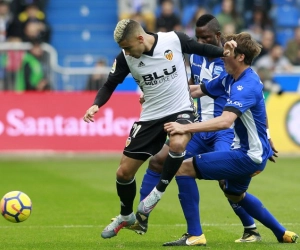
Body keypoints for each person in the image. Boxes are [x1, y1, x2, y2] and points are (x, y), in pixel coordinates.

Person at [138, 32, 299, 245]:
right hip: (254, 152)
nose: (222, 55)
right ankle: (281, 233)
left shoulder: (245, 85)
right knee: (235, 194)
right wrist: (156, 95)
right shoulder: (231, 78)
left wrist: (185, 127)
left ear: (240, 57)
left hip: (247, 155)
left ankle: (195, 234)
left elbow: (224, 121)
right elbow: (197, 90)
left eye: (228, 51)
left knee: (182, 167)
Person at [83, 19, 236, 239]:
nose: (126, 52)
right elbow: (109, 84)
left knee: (177, 142)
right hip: (150, 116)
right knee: (123, 173)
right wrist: (96, 103)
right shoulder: (126, 57)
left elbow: (201, 48)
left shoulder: (173, 40)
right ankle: (126, 215)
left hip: (181, 110)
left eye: (127, 47)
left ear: (139, 38)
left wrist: (226, 52)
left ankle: (157, 194)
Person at [127, 14, 262, 244]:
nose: (201, 42)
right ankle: (143, 216)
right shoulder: (196, 58)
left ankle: (251, 227)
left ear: (218, 37)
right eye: (198, 37)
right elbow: (191, 87)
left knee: (225, 182)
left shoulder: (231, 64)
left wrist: (264, 138)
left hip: (222, 129)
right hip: (200, 127)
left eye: (206, 37)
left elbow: (251, 103)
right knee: (161, 160)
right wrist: (154, 95)